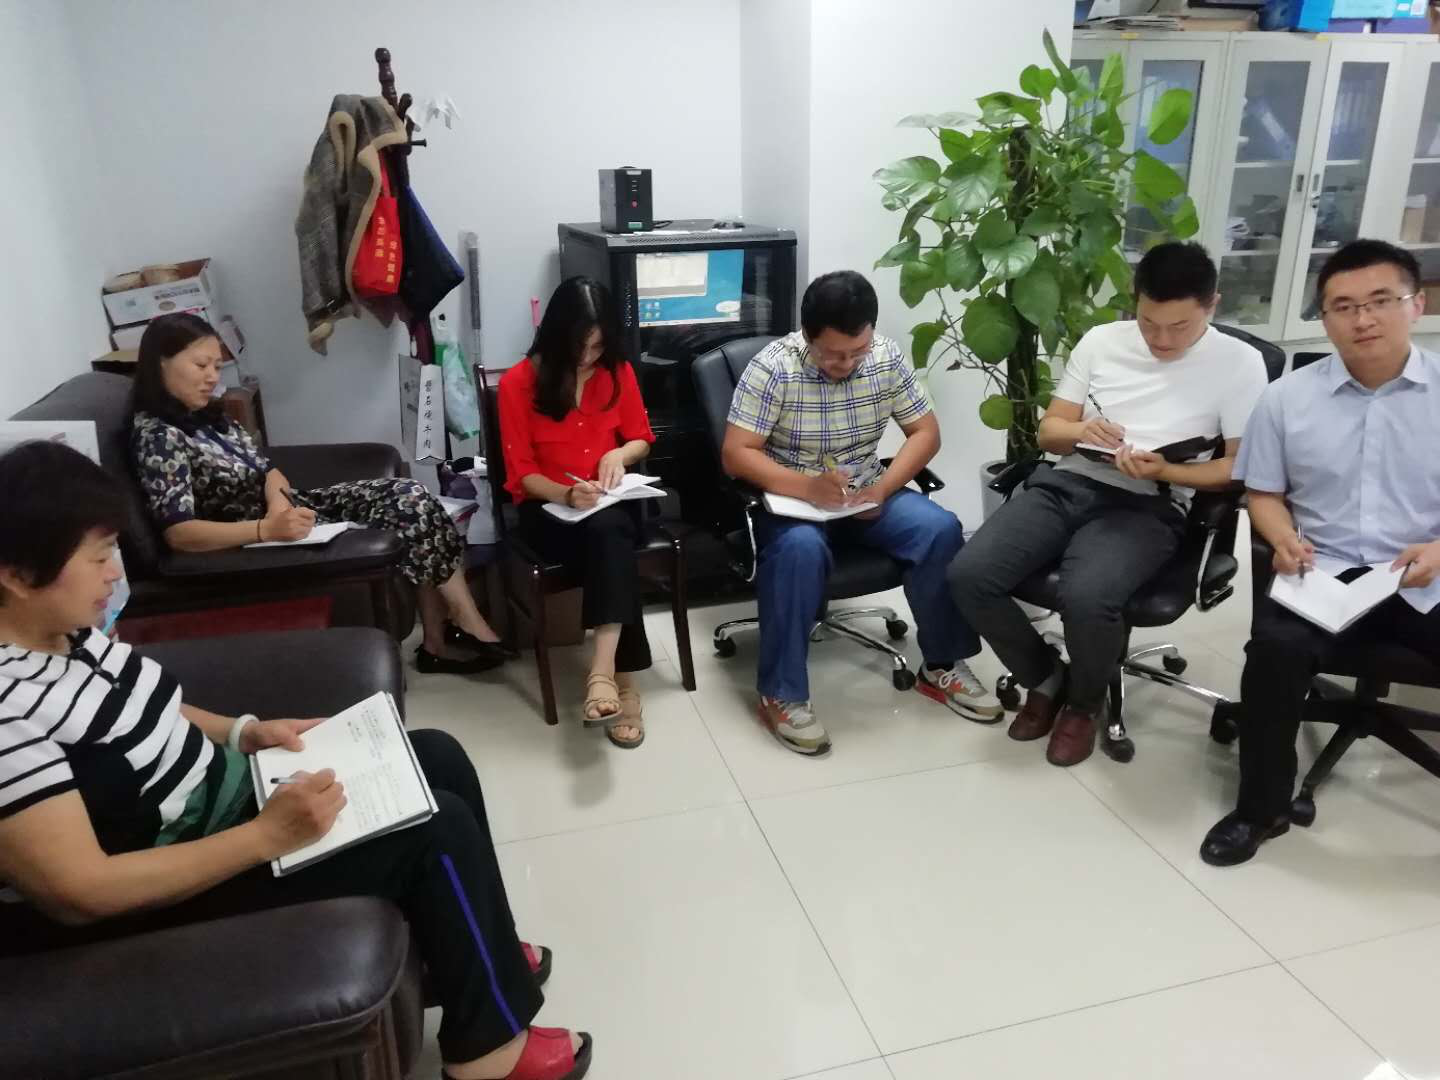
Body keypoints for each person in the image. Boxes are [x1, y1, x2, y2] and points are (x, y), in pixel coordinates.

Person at [0, 441, 592, 1080]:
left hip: (227, 803)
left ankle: (476, 955)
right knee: (434, 828)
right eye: (97, 558)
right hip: (181, 873)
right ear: (17, 574)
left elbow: (152, 708)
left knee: (435, 756)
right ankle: (487, 1053)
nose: (113, 574)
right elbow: (80, 890)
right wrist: (265, 837)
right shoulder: (8, 711)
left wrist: (246, 732)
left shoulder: (67, 635)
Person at [948, 242, 1268, 767]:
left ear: (1212, 305)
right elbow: (1049, 432)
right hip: (1071, 480)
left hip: (1150, 502)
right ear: (1134, 301)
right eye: (1148, 323)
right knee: (969, 575)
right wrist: (1080, 431)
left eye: (1180, 327)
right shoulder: (1101, 341)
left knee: (1087, 595)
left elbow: (1239, 468)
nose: (1161, 340)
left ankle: (1083, 705)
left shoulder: (1240, 364)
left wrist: (1164, 470)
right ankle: (1045, 678)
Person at [1201, 239, 1440, 866]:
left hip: (1424, 574)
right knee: (1272, 655)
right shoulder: (1286, 399)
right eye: (1344, 306)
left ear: (1416, 304)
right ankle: (1261, 810)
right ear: (1326, 318)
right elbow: (1263, 493)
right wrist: (1281, 536)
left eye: (1381, 301)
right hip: (1323, 571)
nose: (1363, 319)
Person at [128, 313, 509, 676]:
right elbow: (180, 534)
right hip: (258, 540)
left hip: (290, 510)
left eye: (216, 366)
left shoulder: (209, 418)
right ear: (161, 363)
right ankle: (459, 628)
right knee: (410, 508)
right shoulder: (159, 436)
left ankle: (444, 636)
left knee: (412, 493)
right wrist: (267, 529)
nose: (212, 377)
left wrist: (278, 504)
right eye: (200, 365)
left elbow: (269, 469)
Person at [721, 269, 999, 756]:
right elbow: (736, 453)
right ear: (808, 336)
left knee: (939, 529)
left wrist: (883, 489)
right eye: (833, 353)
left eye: (857, 351)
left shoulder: (885, 357)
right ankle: (782, 694)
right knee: (800, 550)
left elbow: (926, 433)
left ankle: (942, 665)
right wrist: (808, 488)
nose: (846, 363)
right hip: (794, 499)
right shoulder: (773, 368)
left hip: (866, 491)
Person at [497, 278, 655, 747]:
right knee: (613, 540)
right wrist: (566, 495)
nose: (588, 358)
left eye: (598, 347)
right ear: (555, 335)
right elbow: (522, 475)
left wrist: (619, 455)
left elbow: (641, 437)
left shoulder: (617, 371)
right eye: (578, 347)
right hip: (549, 512)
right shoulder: (518, 383)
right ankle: (620, 681)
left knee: (610, 530)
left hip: (608, 503)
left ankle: (602, 676)